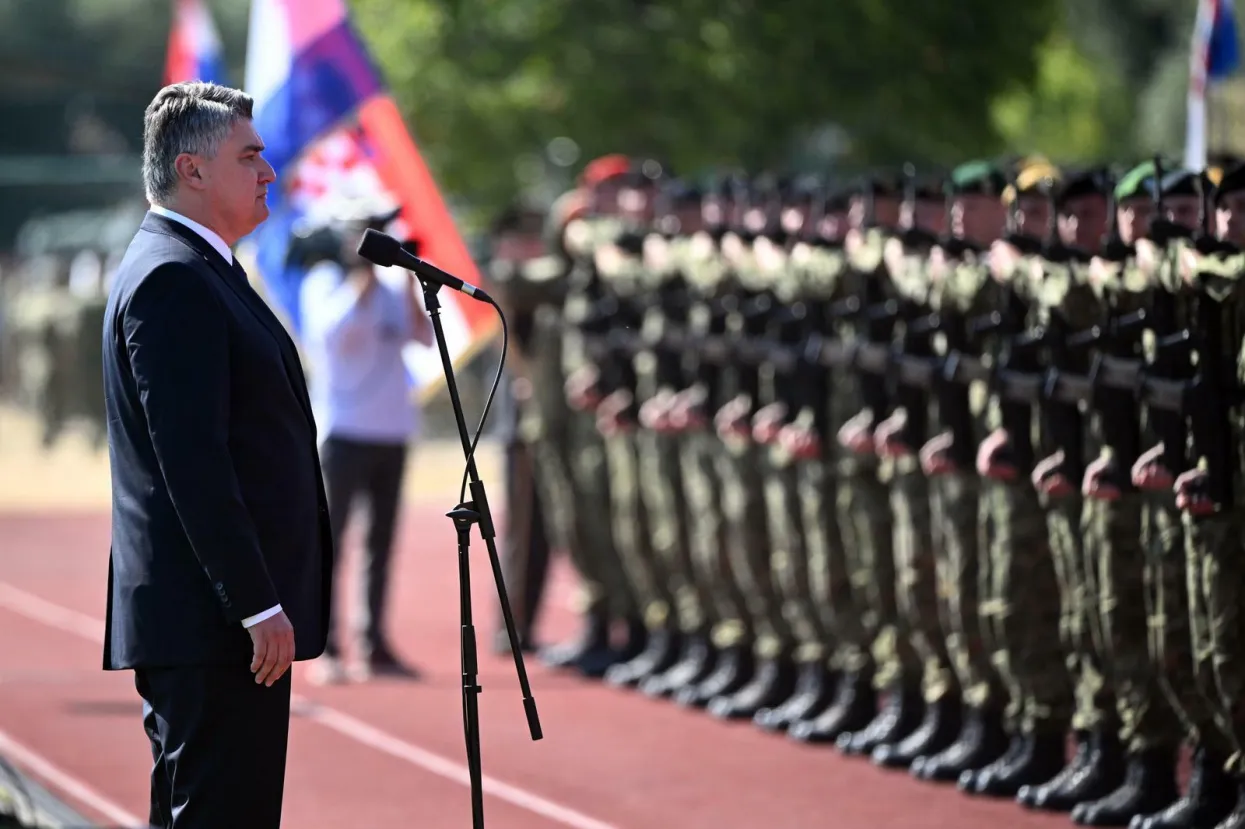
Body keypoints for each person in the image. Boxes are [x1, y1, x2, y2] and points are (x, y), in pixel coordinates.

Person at [101, 81, 332, 829]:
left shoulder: (198, 266)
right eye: (250, 156)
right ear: (192, 170)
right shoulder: (174, 276)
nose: (269, 173)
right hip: (214, 622)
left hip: (214, 621)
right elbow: (191, 462)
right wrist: (256, 602)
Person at [297, 209, 433, 685]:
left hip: (392, 432)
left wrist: (411, 282)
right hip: (344, 433)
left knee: (381, 544)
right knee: (331, 545)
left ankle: (373, 642)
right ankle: (327, 643)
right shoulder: (324, 281)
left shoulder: (397, 289)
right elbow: (334, 338)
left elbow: (424, 338)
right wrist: (364, 275)